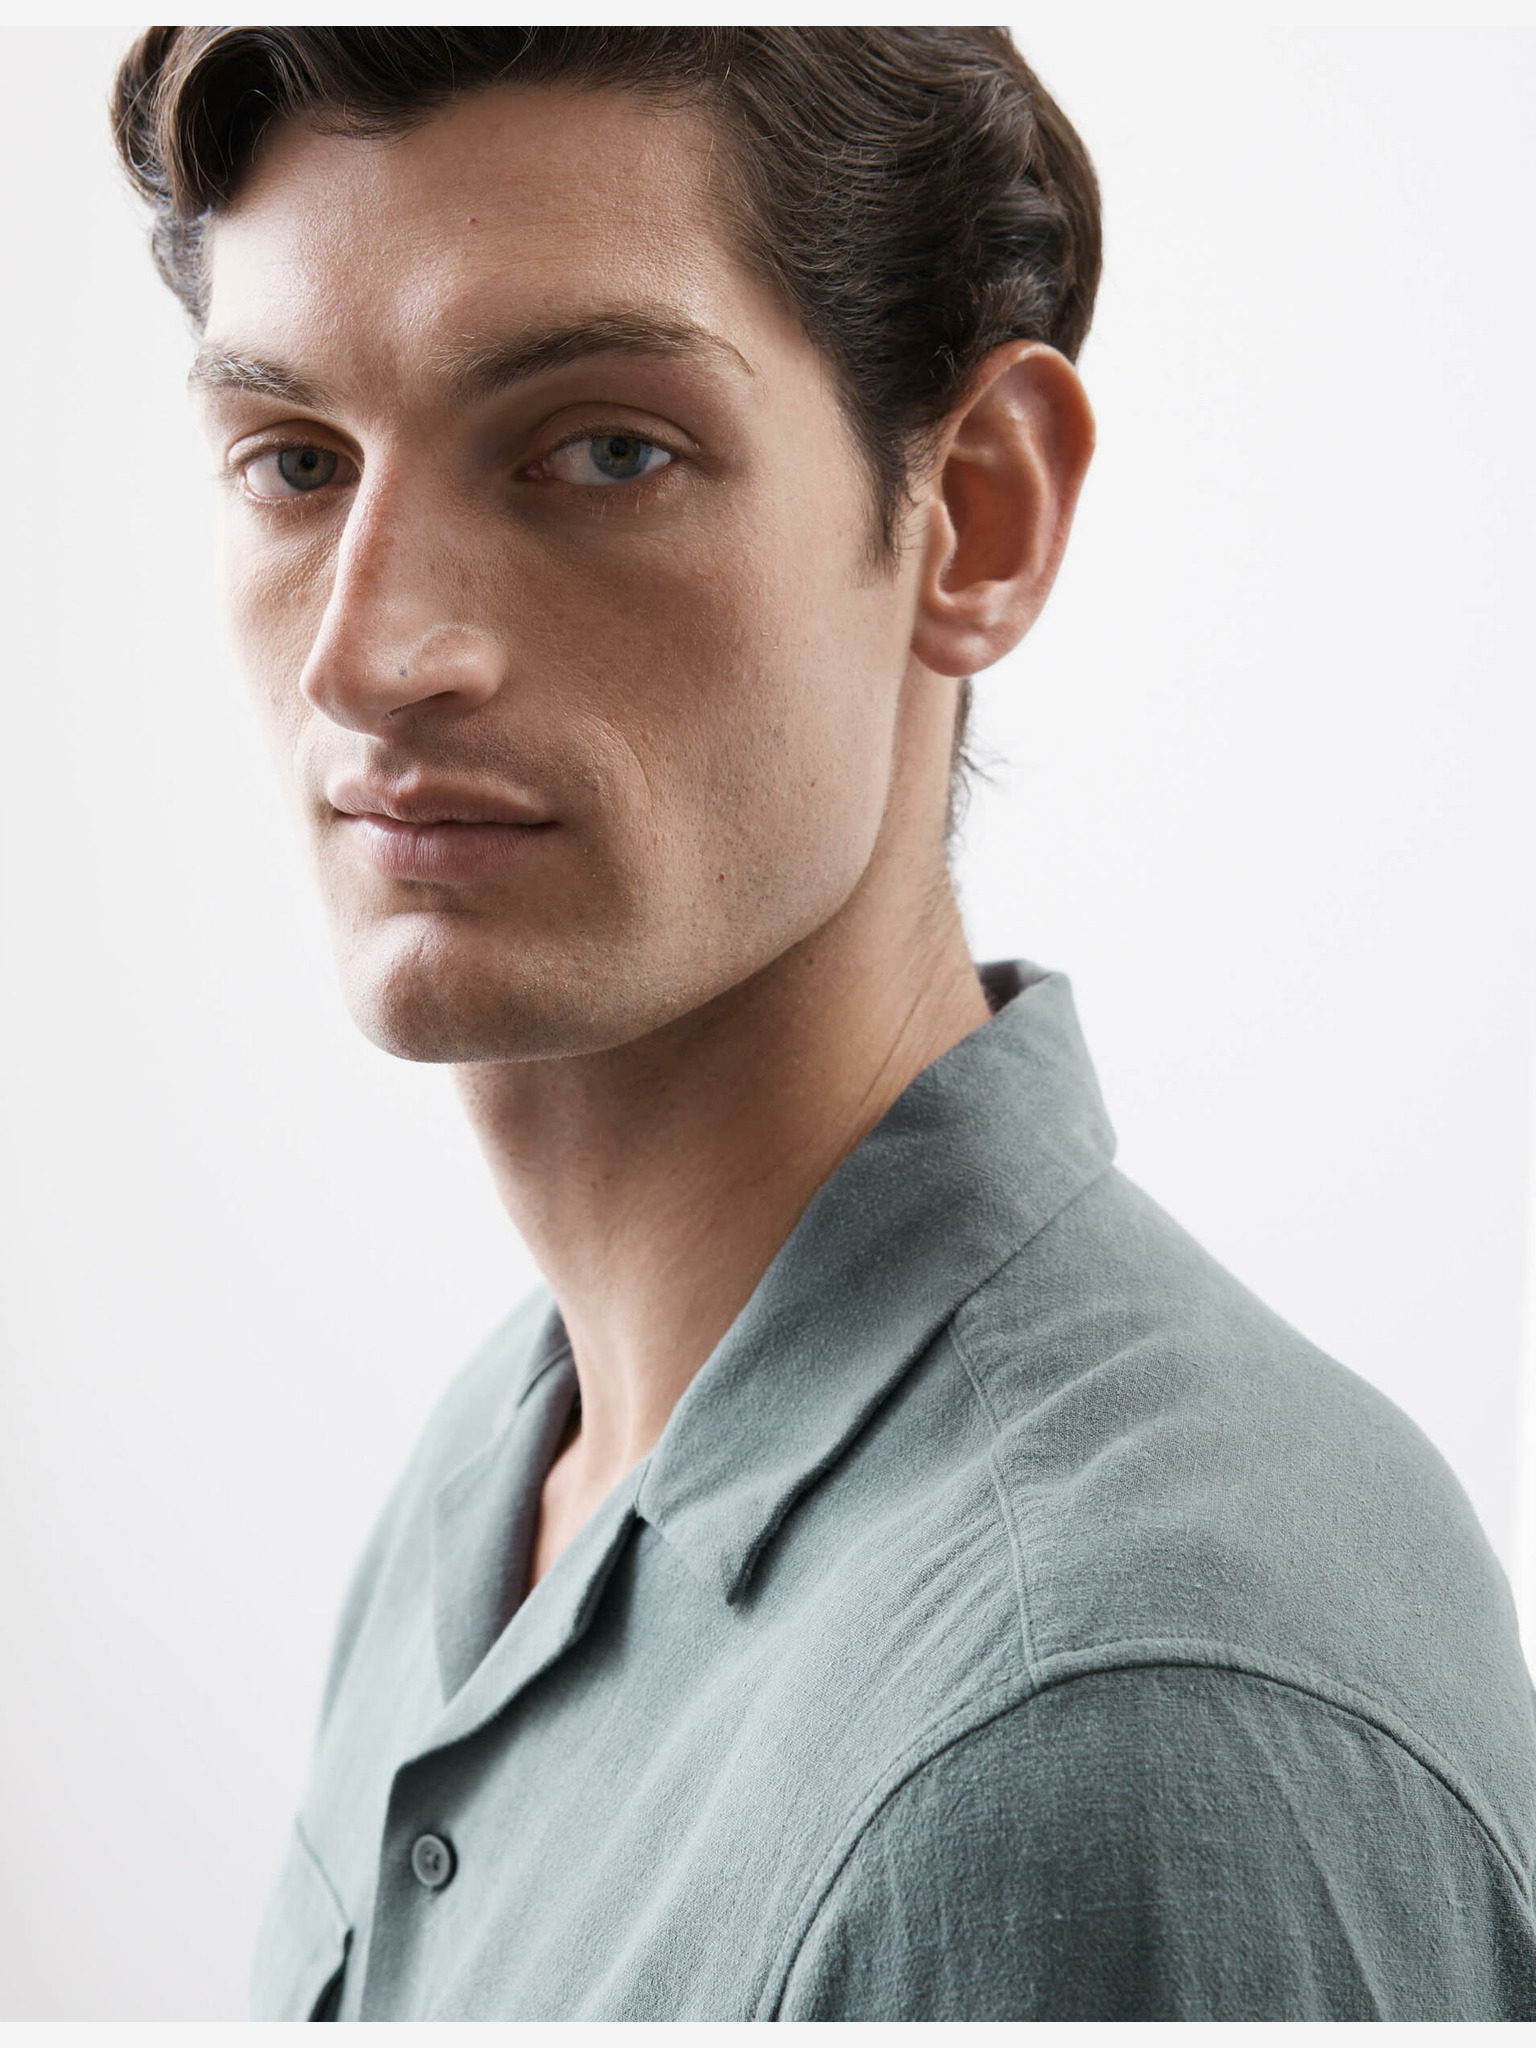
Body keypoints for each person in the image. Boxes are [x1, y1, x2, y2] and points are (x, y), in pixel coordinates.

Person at [111, 26, 1536, 2022]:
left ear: (981, 514)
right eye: (296, 462)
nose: (370, 652)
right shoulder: (499, 1479)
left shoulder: (1104, 1725)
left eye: (605, 449)